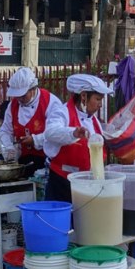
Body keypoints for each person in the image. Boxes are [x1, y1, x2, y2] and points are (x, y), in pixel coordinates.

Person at [42, 73, 111, 203]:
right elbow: (50, 132)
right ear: (84, 96)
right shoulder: (61, 112)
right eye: (97, 99)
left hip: (88, 183)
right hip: (62, 183)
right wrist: (73, 133)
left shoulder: (94, 120)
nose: (100, 104)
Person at [0, 67, 63, 172]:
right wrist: (9, 148)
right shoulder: (13, 105)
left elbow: (57, 133)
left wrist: (35, 140)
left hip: (47, 159)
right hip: (23, 159)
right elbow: (6, 130)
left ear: (33, 89)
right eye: (17, 96)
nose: (19, 99)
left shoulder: (51, 102)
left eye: (23, 96)